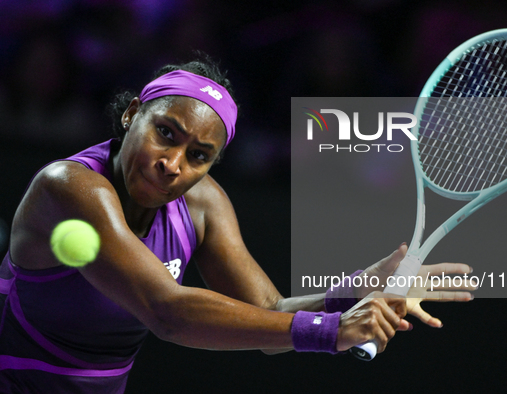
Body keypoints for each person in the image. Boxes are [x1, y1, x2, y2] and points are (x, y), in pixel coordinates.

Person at [0, 54, 474, 393]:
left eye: (198, 155)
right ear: (130, 116)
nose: (173, 163)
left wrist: (355, 290)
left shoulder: (203, 204)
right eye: (166, 132)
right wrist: (330, 331)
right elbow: (165, 311)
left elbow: (269, 309)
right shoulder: (69, 186)